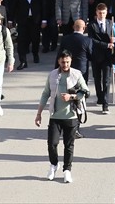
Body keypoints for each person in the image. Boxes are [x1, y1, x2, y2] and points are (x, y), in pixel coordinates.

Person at [35, 50, 89, 183]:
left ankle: (67, 170)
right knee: (52, 144)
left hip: (71, 116)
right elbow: (45, 93)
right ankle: (54, 165)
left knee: (68, 145)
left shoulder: (76, 74)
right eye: (63, 62)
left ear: (71, 61)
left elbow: (86, 92)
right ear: (59, 61)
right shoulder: (52, 75)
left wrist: (71, 96)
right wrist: (39, 113)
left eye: (68, 62)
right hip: (55, 116)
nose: (65, 65)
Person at [87, 3, 115, 114]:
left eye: (103, 13)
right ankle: (100, 97)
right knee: (97, 78)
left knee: (106, 80)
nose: (102, 15)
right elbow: (92, 40)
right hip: (96, 55)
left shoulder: (110, 23)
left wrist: (114, 40)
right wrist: (106, 45)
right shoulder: (92, 25)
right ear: (96, 13)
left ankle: (105, 104)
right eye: (100, 13)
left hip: (108, 56)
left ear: (106, 12)